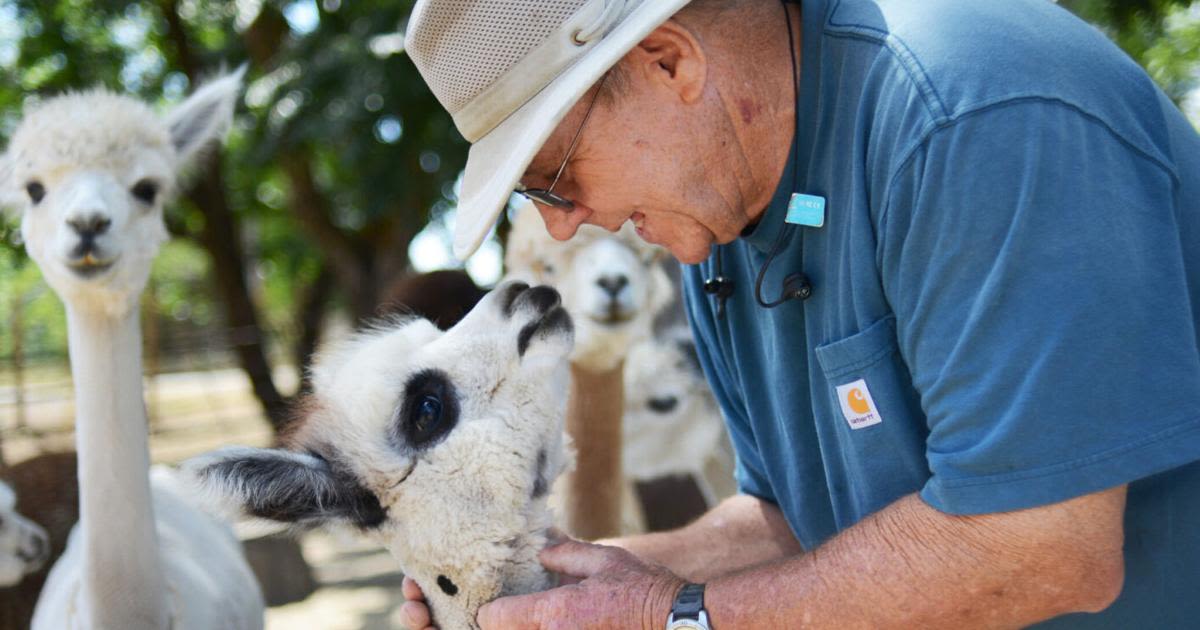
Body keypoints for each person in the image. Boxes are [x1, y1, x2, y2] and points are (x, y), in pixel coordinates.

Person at [399, 0, 1200, 627]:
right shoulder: (716, 233)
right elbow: (794, 522)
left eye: (554, 175)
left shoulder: (970, 114)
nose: (562, 223)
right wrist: (548, 594)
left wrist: (674, 617)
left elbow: (1046, 548)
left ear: (670, 61)